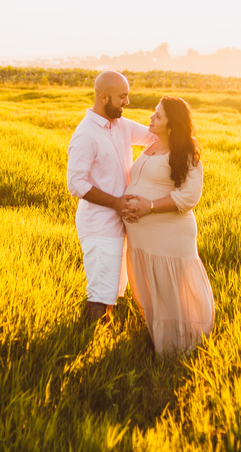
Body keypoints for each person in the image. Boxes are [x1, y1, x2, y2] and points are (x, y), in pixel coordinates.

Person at [120, 96, 214, 354]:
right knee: (153, 287)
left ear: (172, 125)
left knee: (173, 288)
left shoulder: (185, 154)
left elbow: (189, 196)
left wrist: (148, 206)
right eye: (154, 113)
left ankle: (184, 344)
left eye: (158, 116)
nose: (151, 118)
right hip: (143, 237)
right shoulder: (151, 145)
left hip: (169, 232)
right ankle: (158, 337)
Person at [66, 71, 157, 324]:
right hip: (99, 224)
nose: (127, 102)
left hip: (122, 223)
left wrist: (182, 134)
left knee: (115, 288)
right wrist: (117, 203)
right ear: (104, 97)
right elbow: (76, 184)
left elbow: (155, 136)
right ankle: (85, 343)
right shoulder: (86, 135)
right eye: (122, 97)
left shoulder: (122, 126)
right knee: (100, 292)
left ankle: (104, 339)